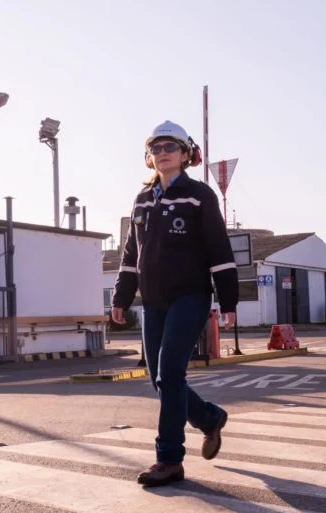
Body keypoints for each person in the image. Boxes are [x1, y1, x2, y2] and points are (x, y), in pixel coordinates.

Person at [111, 120, 239, 487]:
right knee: (160, 379)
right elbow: (131, 254)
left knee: (169, 375)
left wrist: (228, 300)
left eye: (171, 147)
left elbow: (219, 249)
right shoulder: (142, 199)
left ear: (186, 154)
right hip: (153, 299)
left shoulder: (199, 195)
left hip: (190, 295)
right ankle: (209, 418)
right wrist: (121, 296)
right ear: (149, 157)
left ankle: (169, 460)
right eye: (156, 148)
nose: (163, 153)